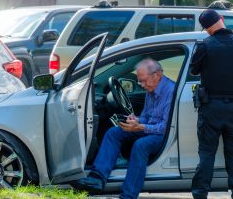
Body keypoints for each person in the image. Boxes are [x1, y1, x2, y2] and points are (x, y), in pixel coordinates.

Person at [73, 58, 175, 199]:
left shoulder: (170, 91)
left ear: (156, 75)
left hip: (163, 135)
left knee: (141, 145)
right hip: (150, 129)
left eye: (143, 80)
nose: (141, 85)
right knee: (114, 132)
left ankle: (128, 195)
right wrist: (136, 120)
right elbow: (147, 117)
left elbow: (165, 127)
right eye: (139, 81)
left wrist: (139, 127)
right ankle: (97, 178)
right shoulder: (151, 89)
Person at [190, 9, 233, 199]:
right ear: (221, 20)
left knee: (206, 154)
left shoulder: (205, 46)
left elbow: (193, 70)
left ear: (206, 29)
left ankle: (200, 194)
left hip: (210, 107)